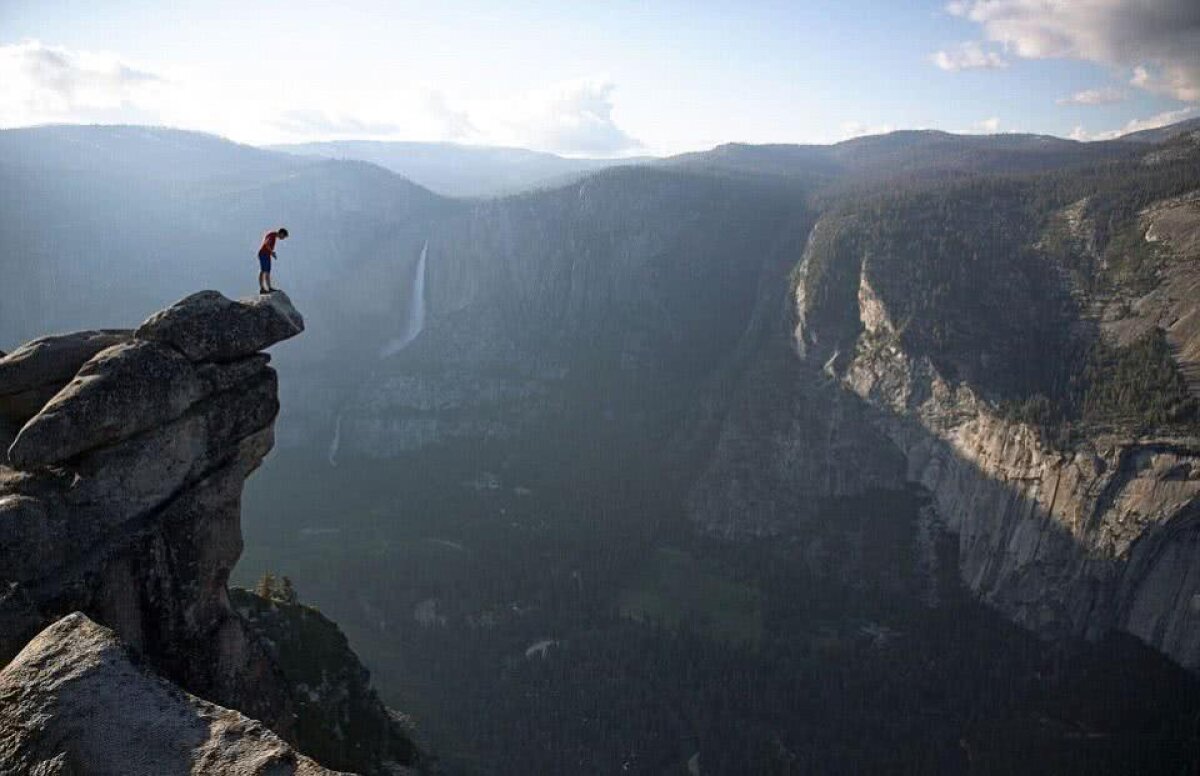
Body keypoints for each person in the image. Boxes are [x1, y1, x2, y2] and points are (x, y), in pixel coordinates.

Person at [258, 227, 289, 293]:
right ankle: (262, 288)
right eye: (283, 237)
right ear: (281, 233)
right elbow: (266, 244)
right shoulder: (272, 235)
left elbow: (267, 245)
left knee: (267, 271)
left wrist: (271, 253)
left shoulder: (273, 236)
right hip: (263, 254)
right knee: (263, 271)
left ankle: (269, 287)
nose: (283, 238)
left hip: (266, 254)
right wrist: (272, 252)